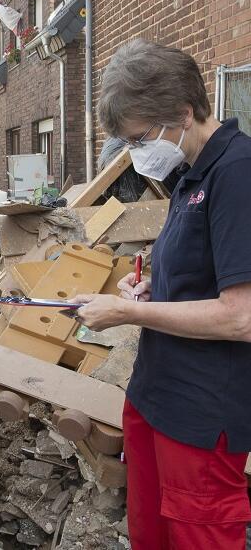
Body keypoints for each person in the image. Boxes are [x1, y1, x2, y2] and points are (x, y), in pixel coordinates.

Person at [70, 39, 251, 549]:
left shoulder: (236, 173)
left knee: (199, 538)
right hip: (158, 395)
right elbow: (205, 280)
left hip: (201, 412)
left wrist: (129, 312)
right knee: (150, 533)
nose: (135, 153)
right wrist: (153, 291)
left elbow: (241, 317)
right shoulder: (190, 175)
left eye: (139, 137)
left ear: (183, 113)